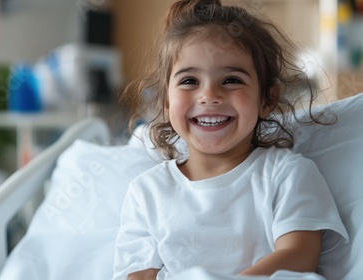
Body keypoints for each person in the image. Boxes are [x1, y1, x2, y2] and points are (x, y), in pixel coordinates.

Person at [112, 0, 349, 279]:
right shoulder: (146, 192)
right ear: (166, 101)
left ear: (267, 99)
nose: (209, 95)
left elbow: (299, 255)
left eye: (231, 80)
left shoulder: (285, 174)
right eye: (189, 81)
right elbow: (137, 274)